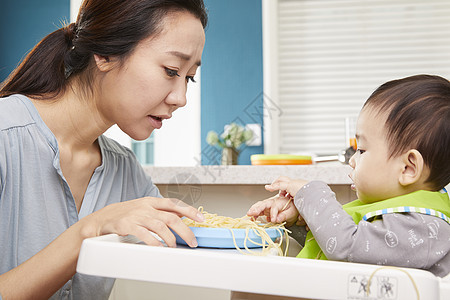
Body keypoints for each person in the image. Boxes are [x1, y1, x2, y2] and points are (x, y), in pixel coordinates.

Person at [0, 0, 207, 299]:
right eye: (171, 70)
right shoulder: (6, 137)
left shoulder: (124, 168)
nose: (181, 98)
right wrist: (90, 229)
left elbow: (191, 235)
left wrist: (280, 216)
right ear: (105, 54)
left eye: (188, 78)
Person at [247, 74, 450, 277]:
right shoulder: (397, 213)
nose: (352, 160)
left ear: (408, 168)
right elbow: (334, 247)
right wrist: (299, 220)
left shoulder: (424, 227)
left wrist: (310, 194)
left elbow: (345, 247)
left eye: (361, 150)